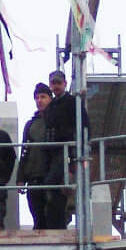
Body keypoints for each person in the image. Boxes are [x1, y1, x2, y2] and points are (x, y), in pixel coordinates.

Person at [45, 68, 91, 228]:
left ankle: (58, 223)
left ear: (64, 84)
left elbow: (84, 127)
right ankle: (58, 223)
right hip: (54, 152)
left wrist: (76, 153)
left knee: (55, 185)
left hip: (67, 152)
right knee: (55, 188)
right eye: (53, 83)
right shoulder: (52, 106)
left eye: (58, 83)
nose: (56, 86)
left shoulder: (72, 102)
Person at [18, 83, 64, 229]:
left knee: (55, 216)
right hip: (34, 176)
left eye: (43, 97)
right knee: (38, 216)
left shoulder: (59, 121)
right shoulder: (31, 124)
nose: (39, 100)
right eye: (37, 98)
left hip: (55, 176)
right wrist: (20, 178)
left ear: (50, 98)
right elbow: (24, 151)